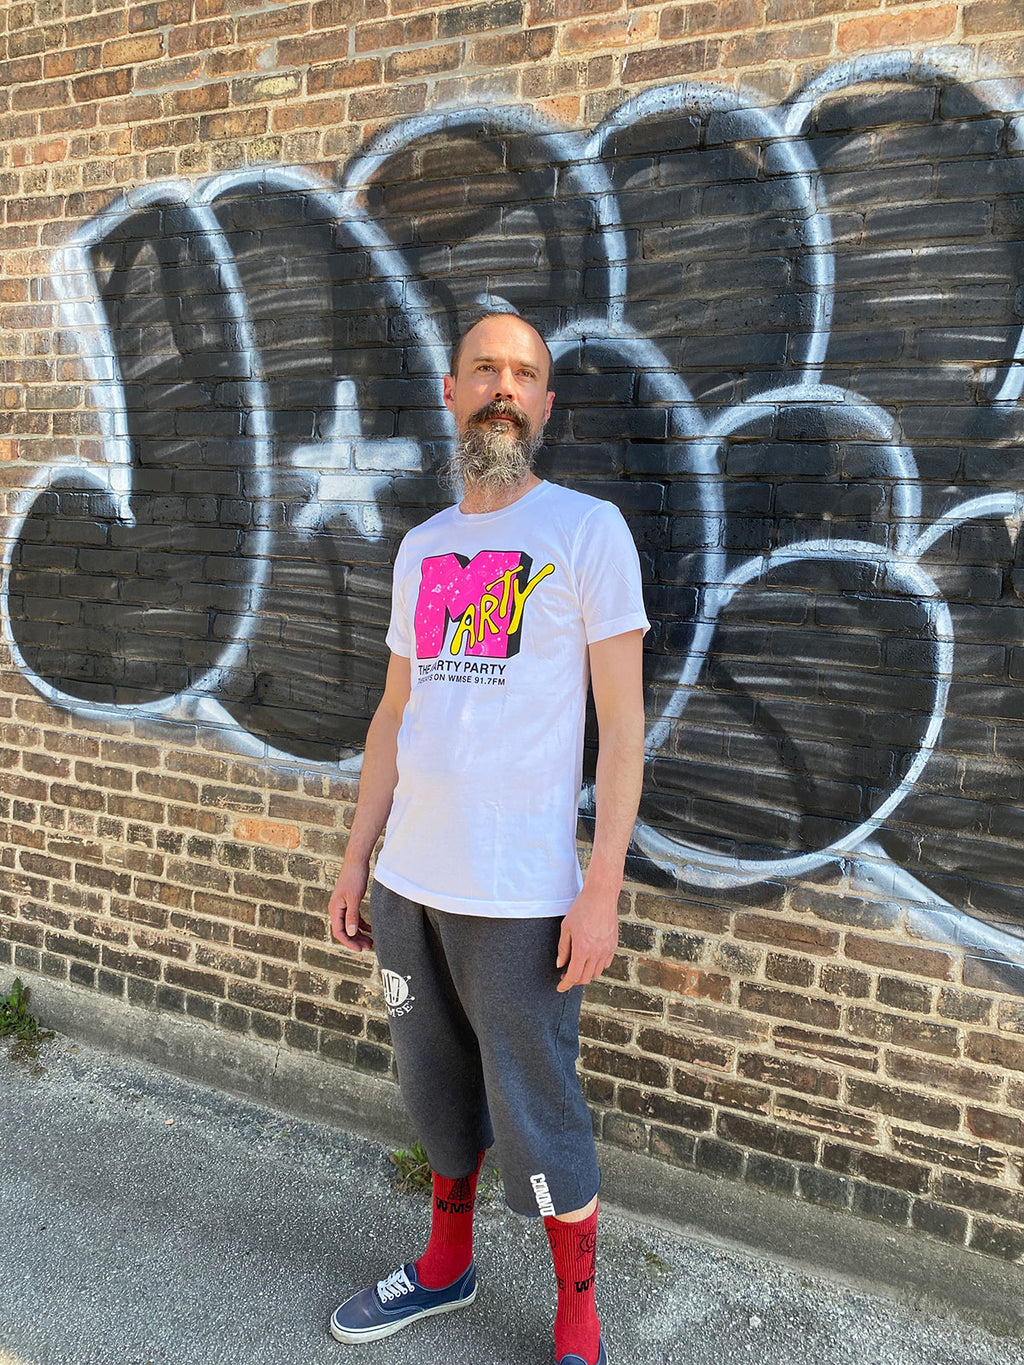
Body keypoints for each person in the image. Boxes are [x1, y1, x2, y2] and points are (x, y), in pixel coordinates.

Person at [326, 311, 648, 1365]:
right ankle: (445, 1266)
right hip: (413, 883)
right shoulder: (422, 549)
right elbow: (391, 716)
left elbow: (622, 733)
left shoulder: (585, 532)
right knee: (433, 1091)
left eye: (525, 374)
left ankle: (577, 1314)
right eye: (485, 370)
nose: (503, 387)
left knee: (539, 1107)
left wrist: (599, 887)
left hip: (521, 897)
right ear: (453, 392)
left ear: (545, 406)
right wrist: (355, 857)